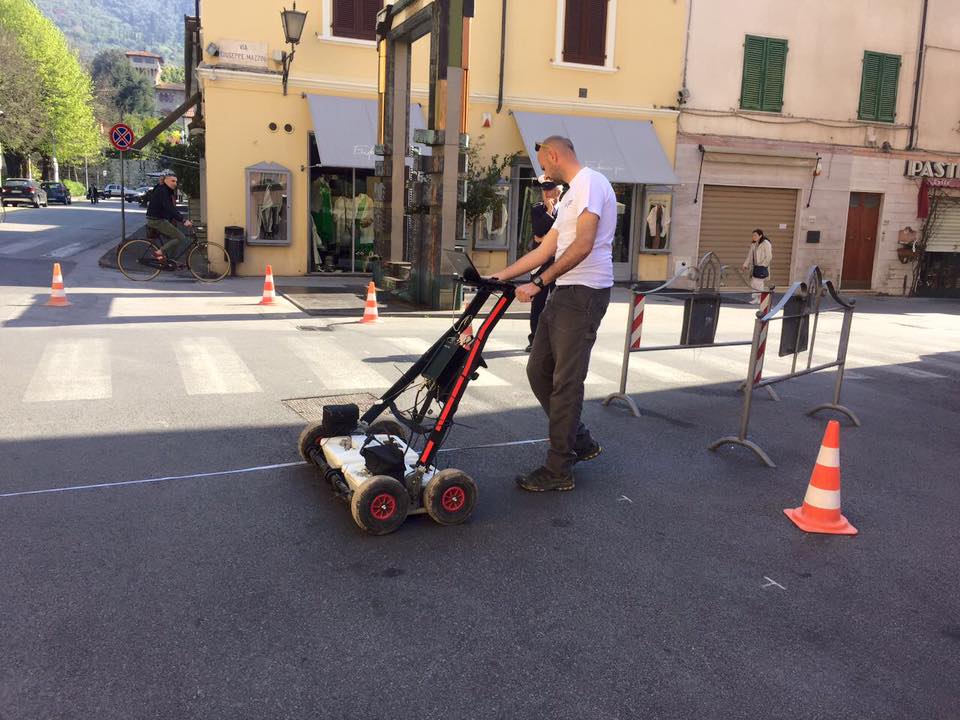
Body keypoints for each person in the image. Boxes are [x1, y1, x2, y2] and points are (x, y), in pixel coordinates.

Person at [492, 135, 616, 492]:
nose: (543, 170)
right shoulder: (570, 196)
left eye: (544, 163)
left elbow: (584, 244)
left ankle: (559, 468)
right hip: (564, 292)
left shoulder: (590, 183)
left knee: (565, 383)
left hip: (584, 293)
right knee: (537, 370)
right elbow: (547, 248)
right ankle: (579, 439)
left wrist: (538, 283)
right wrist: (499, 276)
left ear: (553, 154)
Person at [525, 176, 562, 352]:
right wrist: (549, 210)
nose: (546, 193)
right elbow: (538, 231)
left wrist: (544, 239)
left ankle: (554, 342)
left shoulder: (567, 210)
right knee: (538, 303)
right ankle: (534, 340)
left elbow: (560, 236)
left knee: (557, 302)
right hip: (540, 264)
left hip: (559, 263)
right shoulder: (538, 209)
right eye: (544, 190)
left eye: (550, 189)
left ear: (558, 191)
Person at [146, 171, 192, 262]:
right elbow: (169, 207)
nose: (175, 183)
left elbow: (170, 208)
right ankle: (159, 252)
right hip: (156, 220)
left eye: (176, 181)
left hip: (159, 218)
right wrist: (183, 220)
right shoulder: (163, 190)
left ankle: (171, 261)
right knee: (180, 237)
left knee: (175, 237)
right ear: (166, 180)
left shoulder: (164, 189)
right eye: (172, 181)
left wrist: (178, 218)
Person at [742, 228, 773, 304]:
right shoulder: (753, 244)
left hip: (762, 266)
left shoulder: (766, 243)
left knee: (758, 283)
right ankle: (756, 298)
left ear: (760, 236)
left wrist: (763, 265)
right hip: (755, 266)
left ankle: (760, 299)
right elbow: (749, 256)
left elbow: (769, 256)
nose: (753, 237)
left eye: (755, 235)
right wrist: (745, 264)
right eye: (753, 235)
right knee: (753, 283)